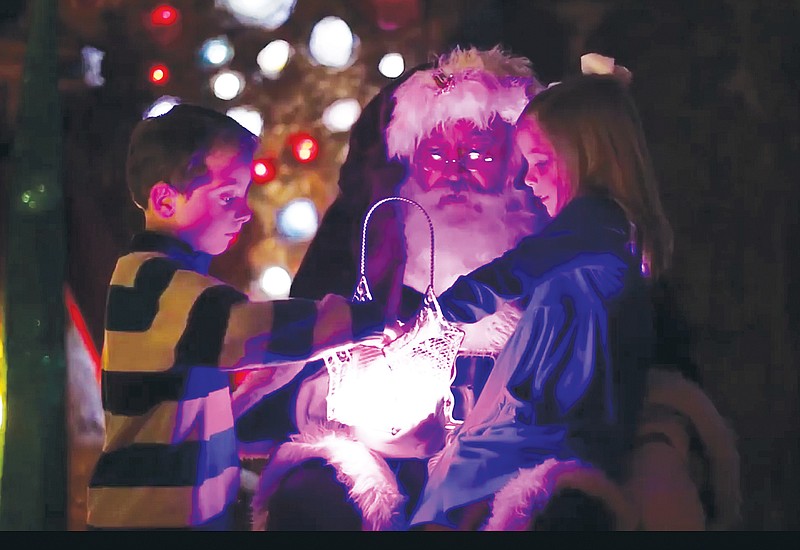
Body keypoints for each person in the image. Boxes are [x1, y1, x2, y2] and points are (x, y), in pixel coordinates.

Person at [240, 45, 550, 530]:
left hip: (507, 455)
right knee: (321, 499)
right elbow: (297, 373)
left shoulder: (548, 249)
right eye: (436, 155)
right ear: (409, 160)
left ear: (514, 164)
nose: (454, 172)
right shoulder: (371, 245)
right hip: (375, 457)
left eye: (478, 154)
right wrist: (370, 424)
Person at [85, 104, 385, 530]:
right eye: (227, 196)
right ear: (165, 200)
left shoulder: (177, 281)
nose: (244, 212)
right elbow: (247, 333)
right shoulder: (153, 282)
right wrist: (361, 320)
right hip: (147, 519)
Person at [408, 66, 675, 530]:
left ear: (586, 155)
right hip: (534, 427)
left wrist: (431, 315)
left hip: (541, 431)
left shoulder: (597, 220)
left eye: (541, 163)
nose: (529, 181)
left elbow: (515, 271)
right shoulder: (600, 232)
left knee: (455, 506)